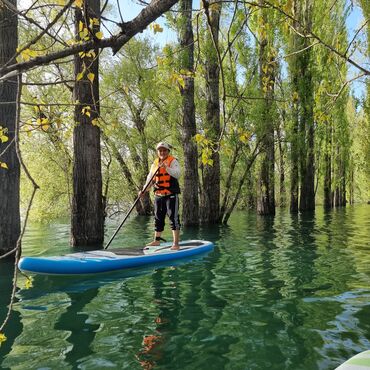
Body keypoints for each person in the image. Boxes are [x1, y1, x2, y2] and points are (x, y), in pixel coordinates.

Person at [139, 142, 181, 250]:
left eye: (164, 150)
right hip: (158, 195)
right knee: (158, 218)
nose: (162, 152)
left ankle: (176, 244)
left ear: (168, 151)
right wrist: (144, 190)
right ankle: (156, 241)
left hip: (170, 195)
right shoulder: (155, 164)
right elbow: (150, 178)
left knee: (173, 218)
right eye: (160, 150)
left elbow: (177, 174)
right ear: (158, 152)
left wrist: (166, 168)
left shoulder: (173, 161)